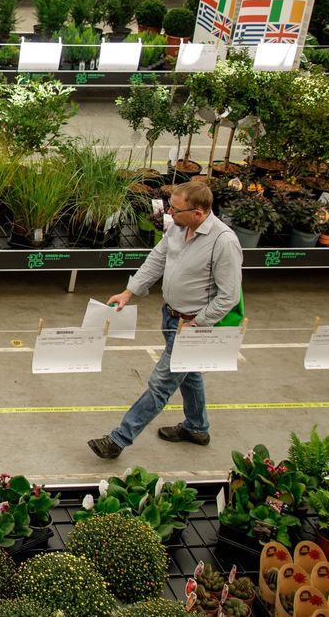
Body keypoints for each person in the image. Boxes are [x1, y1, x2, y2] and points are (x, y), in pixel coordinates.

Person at [88, 181, 243, 459]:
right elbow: (157, 260)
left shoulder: (223, 242)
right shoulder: (178, 228)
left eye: (176, 208)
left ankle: (118, 439)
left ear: (198, 213)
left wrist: (198, 323)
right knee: (190, 374)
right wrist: (129, 292)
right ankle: (197, 427)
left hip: (193, 328)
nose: (169, 212)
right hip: (171, 318)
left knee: (161, 384)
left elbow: (229, 296)